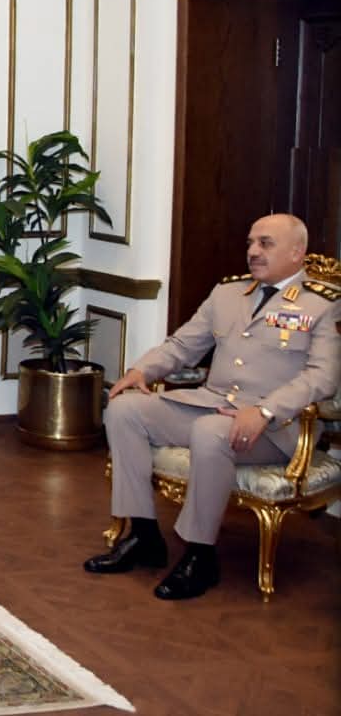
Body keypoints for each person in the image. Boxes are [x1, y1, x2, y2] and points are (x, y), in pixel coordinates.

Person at [84, 213, 339, 599]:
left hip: (273, 428)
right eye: (251, 243)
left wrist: (265, 410)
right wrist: (142, 370)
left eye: (266, 243)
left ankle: (200, 556)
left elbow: (322, 377)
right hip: (210, 404)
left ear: (296, 252)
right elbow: (183, 345)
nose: (253, 251)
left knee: (211, 432)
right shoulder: (228, 293)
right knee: (123, 410)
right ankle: (144, 536)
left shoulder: (321, 305)